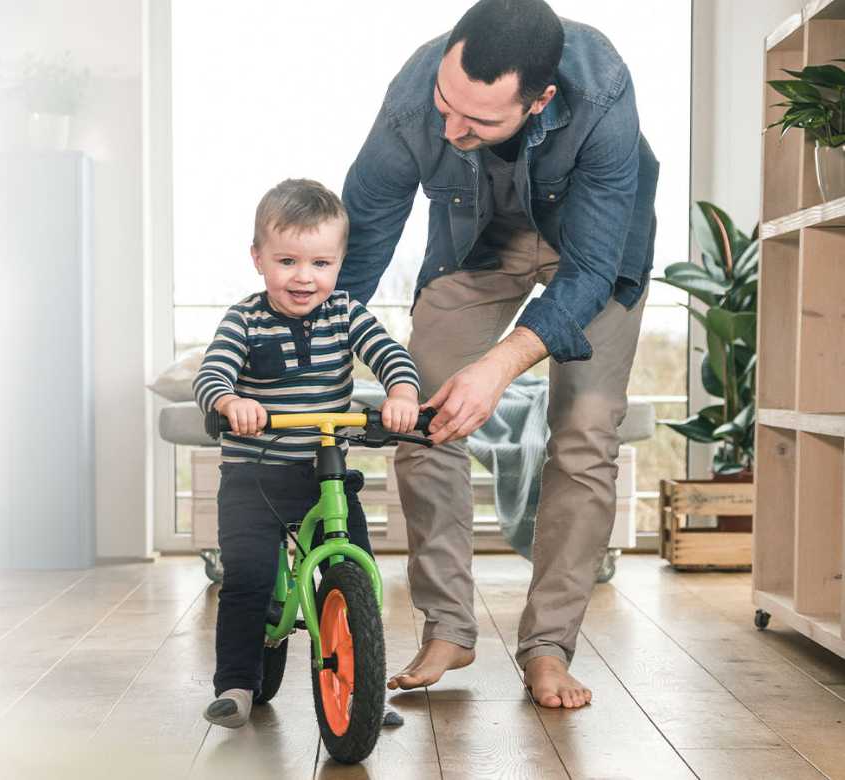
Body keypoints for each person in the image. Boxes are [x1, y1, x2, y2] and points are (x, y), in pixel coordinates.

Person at [337, 0, 659, 709]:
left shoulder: (602, 92)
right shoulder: (414, 97)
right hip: (476, 244)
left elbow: (590, 270)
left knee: (584, 439)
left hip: (590, 256)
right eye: (446, 105)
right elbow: (357, 251)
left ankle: (547, 648)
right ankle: (449, 625)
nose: (452, 130)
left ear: (540, 99)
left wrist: (500, 365)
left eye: (478, 122)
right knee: (422, 412)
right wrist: (309, 361)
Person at [193, 178, 421, 728]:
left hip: (325, 474)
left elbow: (388, 353)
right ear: (258, 258)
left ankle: (363, 686)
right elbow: (212, 373)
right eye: (287, 260)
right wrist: (230, 400)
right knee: (246, 578)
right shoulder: (244, 319)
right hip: (253, 476)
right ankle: (237, 687)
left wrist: (402, 392)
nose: (304, 276)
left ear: (339, 263)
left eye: (320, 263)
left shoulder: (347, 313)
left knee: (352, 571)